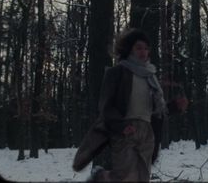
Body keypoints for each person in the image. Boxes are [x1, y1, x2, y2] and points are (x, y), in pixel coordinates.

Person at [72, 28, 188, 182]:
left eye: (146, 48)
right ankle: (100, 178)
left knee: (142, 177)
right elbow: (106, 106)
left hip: (147, 132)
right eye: (139, 47)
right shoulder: (117, 72)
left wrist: (174, 106)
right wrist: (121, 126)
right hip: (126, 130)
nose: (143, 52)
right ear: (129, 49)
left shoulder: (150, 77)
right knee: (125, 177)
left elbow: (155, 110)